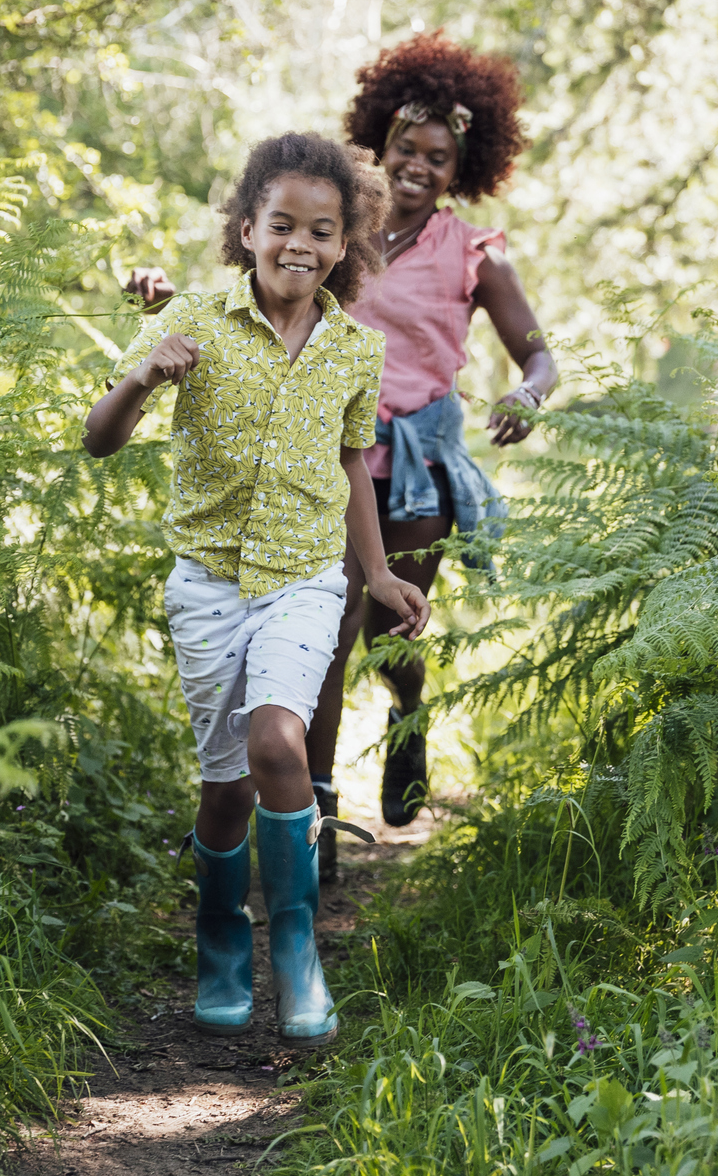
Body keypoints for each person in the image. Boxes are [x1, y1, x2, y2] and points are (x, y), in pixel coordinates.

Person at [127, 33, 556, 879]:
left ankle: (409, 718)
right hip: (323, 462)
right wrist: (163, 302)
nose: (418, 168)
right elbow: (245, 293)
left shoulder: (476, 253)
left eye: (437, 157)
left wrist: (526, 393)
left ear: (459, 167)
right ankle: (315, 817)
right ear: (379, 146)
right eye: (405, 150)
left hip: (418, 467)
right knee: (325, 636)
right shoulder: (332, 229)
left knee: (388, 637)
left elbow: (536, 354)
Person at [86, 132, 431, 1046]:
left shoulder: (356, 348)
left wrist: (378, 573)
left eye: (321, 232)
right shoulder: (188, 320)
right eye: (281, 225)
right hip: (206, 585)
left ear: (343, 247)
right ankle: (218, 943)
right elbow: (100, 437)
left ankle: (296, 950)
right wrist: (142, 375)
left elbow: (355, 467)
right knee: (227, 789)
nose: (298, 245)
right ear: (247, 229)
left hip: (306, 581)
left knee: (281, 740)